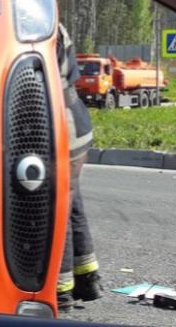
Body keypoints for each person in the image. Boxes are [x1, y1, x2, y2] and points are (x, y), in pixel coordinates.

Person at [56, 24, 102, 311]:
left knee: (56, 207)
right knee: (72, 205)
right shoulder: (53, 22)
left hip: (64, 125)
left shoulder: (35, 23)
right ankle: (87, 278)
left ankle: (60, 292)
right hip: (75, 119)